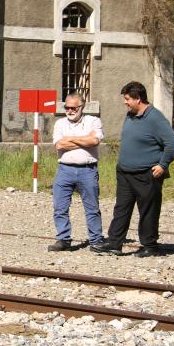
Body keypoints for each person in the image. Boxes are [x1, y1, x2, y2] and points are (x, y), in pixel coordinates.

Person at [96, 82, 174, 257]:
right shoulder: (131, 115)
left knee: (148, 210)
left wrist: (163, 165)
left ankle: (150, 246)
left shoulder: (155, 118)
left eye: (127, 99)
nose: (124, 102)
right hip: (125, 173)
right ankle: (114, 243)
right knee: (121, 209)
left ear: (138, 98)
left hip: (146, 174)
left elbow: (172, 143)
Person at [49, 93, 104, 252]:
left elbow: (94, 141)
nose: (70, 110)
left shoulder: (93, 121)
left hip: (88, 170)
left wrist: (70, 139)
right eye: (67, 107)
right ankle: (63, 239)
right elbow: (59, 145)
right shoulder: (60, 123)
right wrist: (84, 141)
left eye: (73, 107)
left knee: (92, 208)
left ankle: (95, 240)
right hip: (64, 170)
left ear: (82, 107)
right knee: (60, 207)